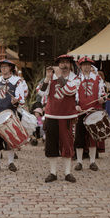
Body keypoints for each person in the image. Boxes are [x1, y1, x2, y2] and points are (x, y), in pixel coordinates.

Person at [37, 54, 80, 183]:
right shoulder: (52, 77)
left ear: (70, 65)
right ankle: (53, 172)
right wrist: (47, 78)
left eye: (67, 63)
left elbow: (69, 90)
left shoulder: (75, 78)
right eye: (61, 63)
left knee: (67, 143)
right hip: (51, 115)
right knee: (51, 145)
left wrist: (59, 76)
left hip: (67, 116)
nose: (64, 65)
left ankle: (67, 173)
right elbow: (41, 92)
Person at [0, 59, 27, 172]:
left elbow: (21, 98)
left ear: (11, 68)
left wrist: (16, 101)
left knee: (10, 139)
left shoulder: (17, 81)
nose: (3, 69)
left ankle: (11, 162)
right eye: (2, 67)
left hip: (10, 114)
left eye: (6, 67)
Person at [74, 57, 106, 172]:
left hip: (94, 111)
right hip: (81, 112)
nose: (86, 67)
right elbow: (74, 94)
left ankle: (92, 162)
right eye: (84, 65)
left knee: (93, 137)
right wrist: (76, 104)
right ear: (81, 66)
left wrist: (102, 98)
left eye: (88, 65)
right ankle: (79, 162)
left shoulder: (97, 79)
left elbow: (102, 93)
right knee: (79, 137)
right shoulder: (76, 79)